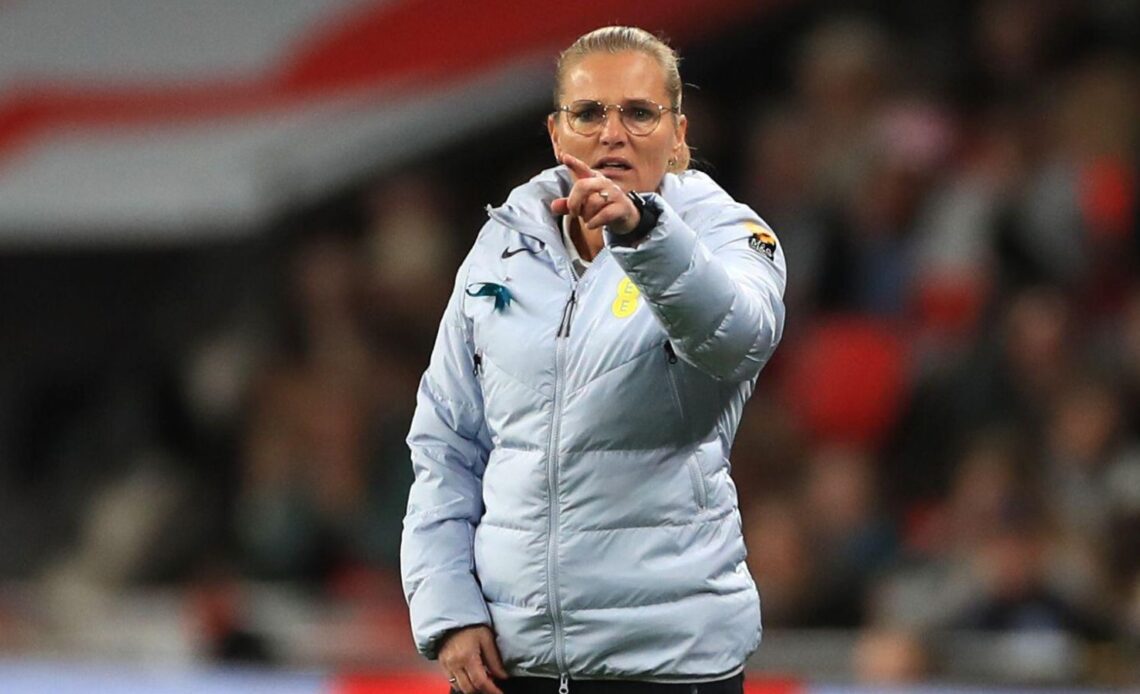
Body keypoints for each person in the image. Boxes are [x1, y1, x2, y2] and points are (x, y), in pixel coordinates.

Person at [401, 26, 787, 694]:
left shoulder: (728, 234)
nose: (613, 133)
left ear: (678, 135)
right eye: (589, 113)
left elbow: (737, 339)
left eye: (639, 113)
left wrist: (644, 234)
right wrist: (449, 609)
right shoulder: (503, 246)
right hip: (508, 665)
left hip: (666, 665)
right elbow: (446, 441)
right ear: (557, 134)